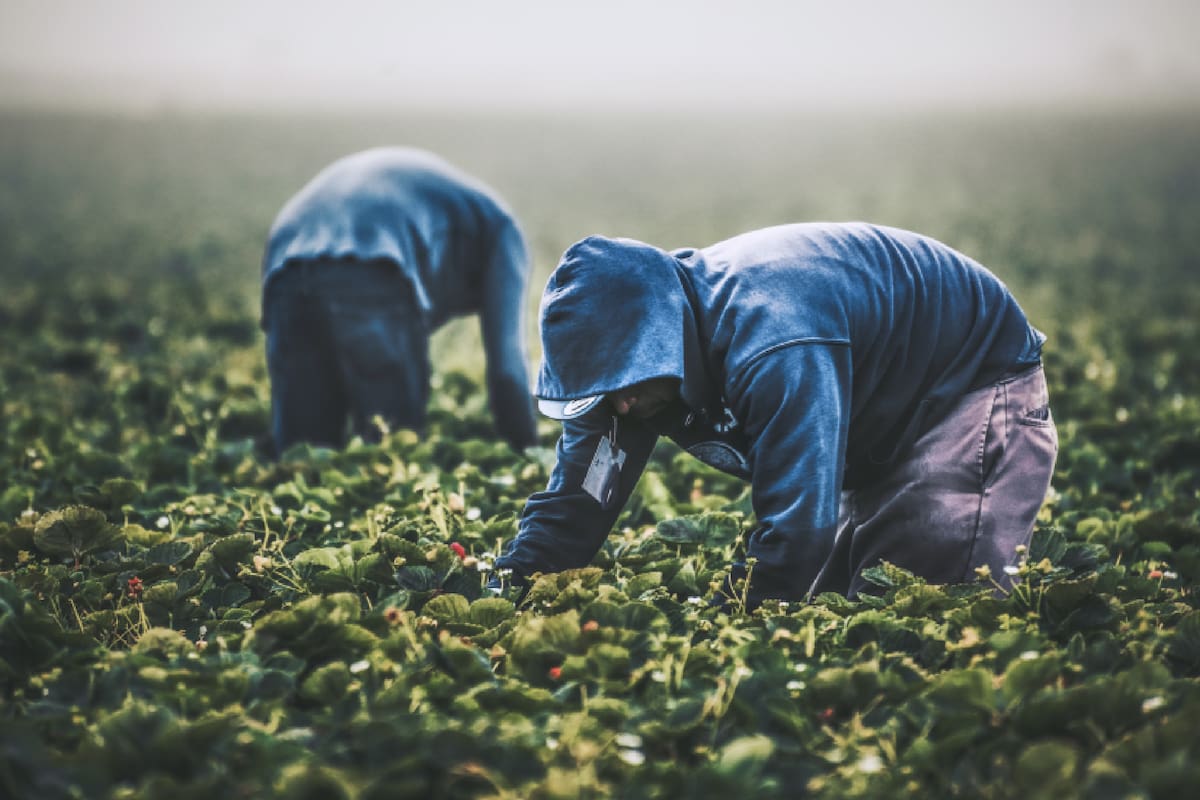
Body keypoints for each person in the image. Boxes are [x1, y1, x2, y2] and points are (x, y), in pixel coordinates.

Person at [494, 223, 1058, 606]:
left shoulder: (773, 339)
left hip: (968, 383)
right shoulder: (626, 385)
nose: (618, 407)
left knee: (931, 606)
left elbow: (797, 528)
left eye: (625, 383)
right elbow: (578, 502)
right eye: (601, 391)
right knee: (846, 606)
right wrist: (508, 589)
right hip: (873, 408)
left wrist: (725, 620)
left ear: (661, 339)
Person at [261, 147, 537, 455]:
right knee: (391, 450)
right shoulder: (505, 234)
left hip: (285, 260)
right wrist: (527, 452)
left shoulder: (462, 215)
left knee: (303, 455)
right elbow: (508, 370)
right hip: (372, 259)